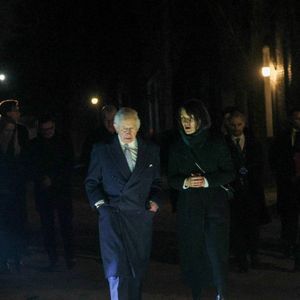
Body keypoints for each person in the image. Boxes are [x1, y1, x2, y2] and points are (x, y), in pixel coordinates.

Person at [85, 107, 161, 300]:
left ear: (138, 128)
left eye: (132, 128)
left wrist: (154, 202)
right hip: (113, 217)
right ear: (115, 127)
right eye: (124, 128)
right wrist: (101, 206)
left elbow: (157, 182)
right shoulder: (102, 150)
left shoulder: (151, 150)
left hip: (139, 218)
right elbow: (91, 183)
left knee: (137, 271)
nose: (128, 132)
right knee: (117, 271)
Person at [168, 99, 235, 300]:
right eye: (182, 118)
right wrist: (186, 182)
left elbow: (230, 172)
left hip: (215, 207)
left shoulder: (215, 142)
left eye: (190, 118)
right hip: (189, 208)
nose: (186, 123)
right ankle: (196, 294)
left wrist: (207, 181)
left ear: (201, 120)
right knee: (193, 254)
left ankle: (222, 293)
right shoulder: (176, 146)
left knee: (216, 254)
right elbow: (171, 178)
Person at [29, 114, 75, 270]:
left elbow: (68, 164)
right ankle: (53, 257)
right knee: (48, 226)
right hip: (45, 191)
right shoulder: (35, 144)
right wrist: (43, 178)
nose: (48, 132)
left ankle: (70, 257)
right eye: (45, 129)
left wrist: (53, 179)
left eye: (50, 129)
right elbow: (32, 165)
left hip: (61, 190)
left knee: (65, 225)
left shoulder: (63, 142)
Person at [224, 110, 267, 272]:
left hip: (252, 191)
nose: (236, 128)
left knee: (253, 225)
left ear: (244, 124)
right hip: (234, 192)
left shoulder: (253, 143)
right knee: (236, 227)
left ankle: (254, 254)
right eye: (233, 125)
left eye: (239, 125)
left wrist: (250, 171)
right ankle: (241, 258)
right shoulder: (224, 143)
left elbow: (260, 163)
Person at [270, 107, 300, 262]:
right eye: (296, 118)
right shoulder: (282, 137)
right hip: (287, 184)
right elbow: (275, 157)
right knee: (288, 217)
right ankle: (288, 245)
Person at [0, 99, 30, 254]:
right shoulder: (7, 130)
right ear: (8, 112)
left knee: (16, 214)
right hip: (6, 179)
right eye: (15, 109)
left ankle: (16, 249)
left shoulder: (21, 131)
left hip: (16, 179)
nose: (18, 112)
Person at [0, 116, 24, 272]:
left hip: (14, 193)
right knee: (3, 228)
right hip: (3, 193)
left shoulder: (14, 149)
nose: (9, 134)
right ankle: (4, 259)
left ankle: (14, 256)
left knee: (14, 226)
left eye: (11, 131)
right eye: (6, 130)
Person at [80, 104, 117, 172]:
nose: (110, 124)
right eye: (107, 120)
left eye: (112, 120)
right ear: (103, 120)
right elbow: (86, 160)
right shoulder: (94, 138)